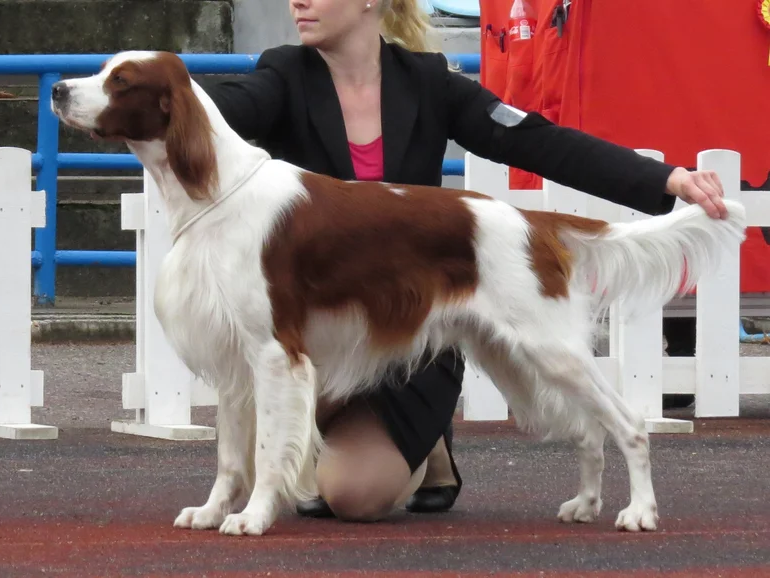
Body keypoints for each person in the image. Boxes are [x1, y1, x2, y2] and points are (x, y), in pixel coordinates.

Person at [200, 0, 728, 522]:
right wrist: (161, 90)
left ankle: (426, 448)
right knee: (273, 401)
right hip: (323, 338)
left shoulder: (428, 82)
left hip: (410, 339)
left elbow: (538, 141)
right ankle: (330, 449)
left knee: (352, 497)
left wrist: (665, 179)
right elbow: (210, 112)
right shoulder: (283, 76)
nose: (298, 1)